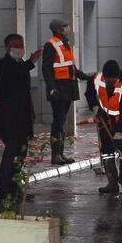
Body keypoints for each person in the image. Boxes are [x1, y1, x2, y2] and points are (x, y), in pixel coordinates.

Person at [0, 33, 37, 209]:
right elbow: (13, 79)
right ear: (7, 48)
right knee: (11, 153)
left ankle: (15, 186)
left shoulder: (20, 64)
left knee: (21, 154)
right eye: (16, 45)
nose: (19, 49)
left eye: (21, 45)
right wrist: (31, 62)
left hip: (23, 117)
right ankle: (4, 189)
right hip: (10, 117)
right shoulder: (4, 65)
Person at [41, 20, 93, 164]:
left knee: (62, 120)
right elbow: (46, 69)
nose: (67, 29)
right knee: (58, 120)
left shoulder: (66, 45)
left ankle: (60, 153)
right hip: (58, 88)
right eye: (64, 27)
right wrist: (51, 87)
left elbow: (71, 68)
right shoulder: (51, 45)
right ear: (57, 30)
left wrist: (86, 77)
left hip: (68, 86)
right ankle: (55, 155)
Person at [90, 60, 122, 194]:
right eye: (108, 78)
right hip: (105, 120)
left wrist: (119, 133)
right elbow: (89, 93)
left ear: (117, 76)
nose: (110, 80)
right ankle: (112, 183)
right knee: (107, 151)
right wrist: (95, 108)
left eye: (113, 78)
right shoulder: (97, 79)